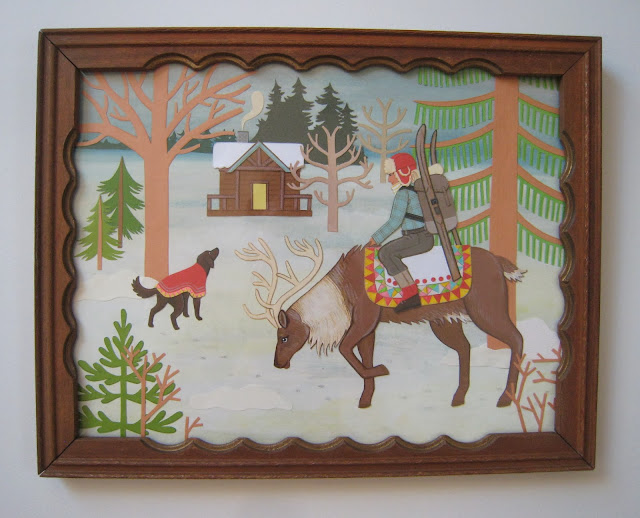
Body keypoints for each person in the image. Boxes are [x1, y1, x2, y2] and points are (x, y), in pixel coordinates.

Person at [367, 152, 434, 313]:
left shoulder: (404, 193)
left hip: (417, 237)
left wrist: (375, 239)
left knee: (385, 253)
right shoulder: (419, 190)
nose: (390, 179)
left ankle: (410, 294)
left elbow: (395, 221)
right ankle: (410, 293)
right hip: (424, 237)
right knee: (390, 252)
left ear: (402, 173)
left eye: (391, 175)